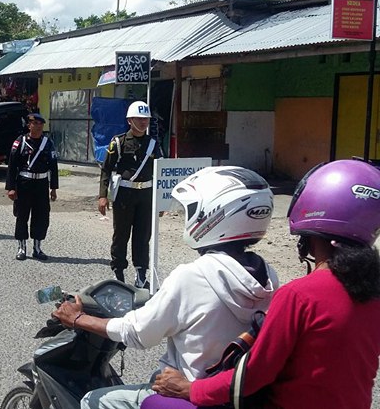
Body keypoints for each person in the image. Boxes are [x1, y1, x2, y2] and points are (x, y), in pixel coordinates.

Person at [148, 159, 380, 409]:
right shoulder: (374, 295)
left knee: (154, 403)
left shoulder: (299, 296)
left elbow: (253, 376)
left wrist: (190, 388)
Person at [52, 166, 278, 409]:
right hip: (230, 393)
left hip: (189, 391)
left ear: (213, 214)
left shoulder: (192, 276)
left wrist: (77, 318)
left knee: (92, 400)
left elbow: (137, 333)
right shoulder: (268, 276)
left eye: (191, 210)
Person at [98, 100, 162, 288]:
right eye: (139, 119)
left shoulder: (152, 144)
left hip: (146, 196)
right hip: (125, 195)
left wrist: (160, 200)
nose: (143, 122)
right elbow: (106, 169)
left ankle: (141, 274)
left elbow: (160, 171)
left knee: (143, 236)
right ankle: (118, 271)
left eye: (146, 119)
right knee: (121, 234)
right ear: (129, 120)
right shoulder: (118, 142)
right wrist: (103, 195)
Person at [5, 112, 58, 261]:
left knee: (41, 216)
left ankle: (37, 248)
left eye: (41, 124)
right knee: (22, 216)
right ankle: (21, 247)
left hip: (41, 184)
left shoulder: (47, 143)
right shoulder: (20, 142)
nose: (39, 126)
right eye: (35, 123)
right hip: (24, 183)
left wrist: (53, 188)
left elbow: (53, 166)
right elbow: (12, 166)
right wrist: (11, 187)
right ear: (29, 125)